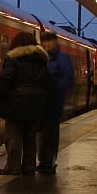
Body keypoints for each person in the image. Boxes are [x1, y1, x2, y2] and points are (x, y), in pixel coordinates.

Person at [0, 31, 49, 176]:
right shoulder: (42, 60)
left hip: (16, 103)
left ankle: (13, 167)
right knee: (30, 138)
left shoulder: (13, 59)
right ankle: (29, 167)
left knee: (14, 137)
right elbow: (46, 82)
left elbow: (6, 80)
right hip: (37, 103)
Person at [37, 32, 73, 174]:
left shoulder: (62, 59)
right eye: (44, 42)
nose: (46, 45)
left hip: (53, 102)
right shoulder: (41, 58)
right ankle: (42, 161)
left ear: (55, 42)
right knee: (41, 134)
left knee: (50, 134)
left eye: (49, 42)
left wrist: (54, 90)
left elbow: (67, 79)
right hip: (40, 103)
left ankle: (49, 162)